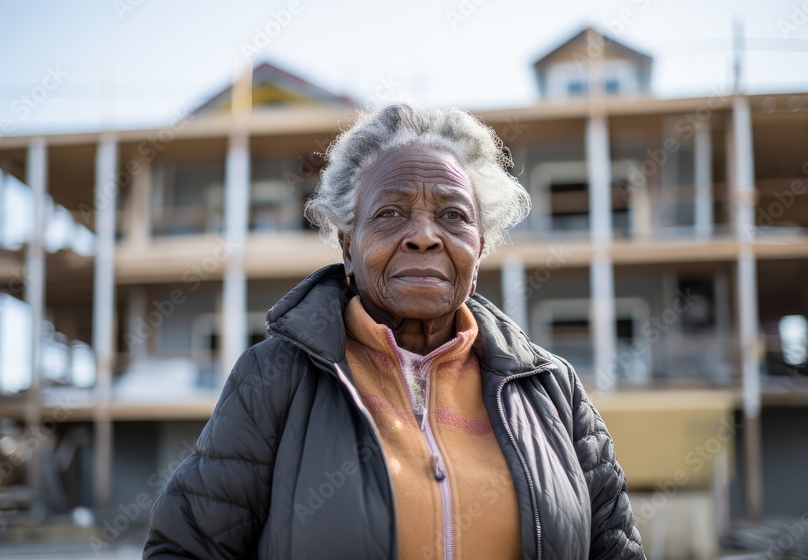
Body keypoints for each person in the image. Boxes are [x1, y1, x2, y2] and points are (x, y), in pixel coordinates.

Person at [143, 102, 645, 559]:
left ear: (481, 247)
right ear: (347, 246)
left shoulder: (553, 391)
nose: (425, 236)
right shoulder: (274, 378)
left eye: (452, 215)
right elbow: (184, 550)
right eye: (390, 213)